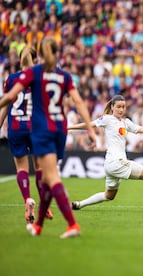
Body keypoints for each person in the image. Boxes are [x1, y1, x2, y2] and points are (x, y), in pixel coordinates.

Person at [0, 37, 96, 238]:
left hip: (42, 130)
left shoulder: (34, 73)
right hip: (60, 130)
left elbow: (10, 98)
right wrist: (91, 129)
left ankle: (72, 224)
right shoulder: (65, 75)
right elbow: (78, 102)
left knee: (51, 178)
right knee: (47, 177)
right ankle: (39, 226)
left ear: (42, 55)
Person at [69, 95, 143, 213]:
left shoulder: (125, 122)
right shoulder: (107, 119)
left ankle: (79, 204)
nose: (121, 110)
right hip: (117, 162)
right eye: (118, 107)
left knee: (109, 196)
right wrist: (69, 127)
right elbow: (89, 124)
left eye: (123, 107)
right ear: (112, 107)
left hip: (110, 165)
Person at [0, 46, 53, 223]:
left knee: (22, 169)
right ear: (35, 60)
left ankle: (27, 201)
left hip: (16, 127)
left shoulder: (10, 80)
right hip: (35, 127)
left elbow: (6, 105)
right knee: (39, 168)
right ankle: (45, 207)